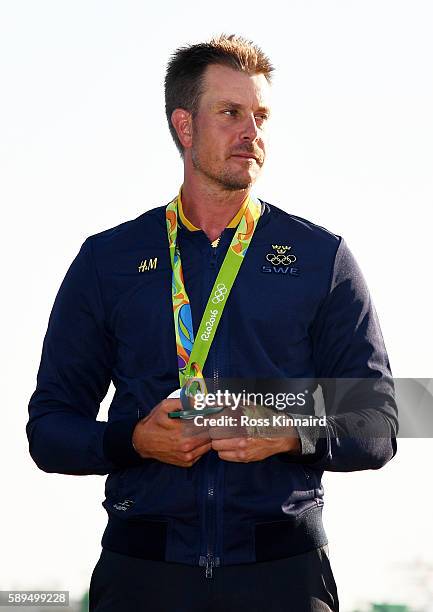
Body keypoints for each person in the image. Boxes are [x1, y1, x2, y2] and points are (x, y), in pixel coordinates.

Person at [27, 35, 398, 612]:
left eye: (261, 115)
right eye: (231, 113)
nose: (252, 132)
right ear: (184, 125)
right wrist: (133, 441)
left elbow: (381, 420)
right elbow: (48, 428)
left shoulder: (321, 257)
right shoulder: (108, 260)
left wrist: (289, 428)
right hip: (142, 573)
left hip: (282, 576)